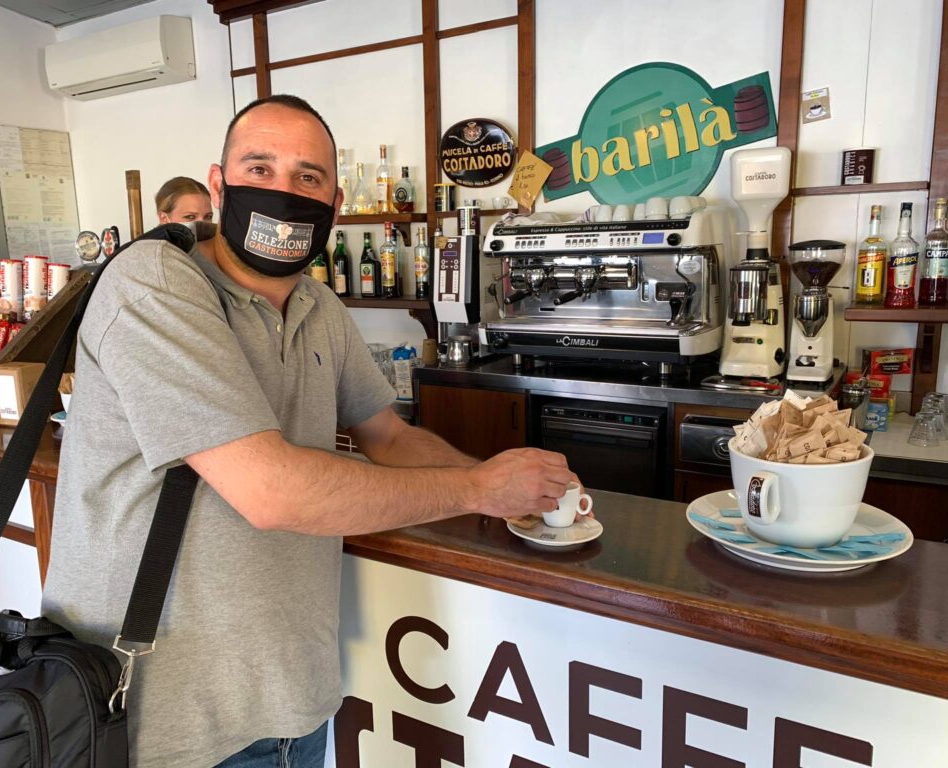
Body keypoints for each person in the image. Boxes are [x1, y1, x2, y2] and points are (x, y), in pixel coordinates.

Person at [40, 95, 577, 768]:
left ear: (335, 202)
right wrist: (475, 490)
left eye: (308, 177)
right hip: (158, 719)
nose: (283, 192)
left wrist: (501, 486)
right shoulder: (154, 285)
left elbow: (387, 435)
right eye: (259, 168)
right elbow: (272, 492)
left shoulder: (318, 305)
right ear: (218, 185)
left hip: (293, 703)